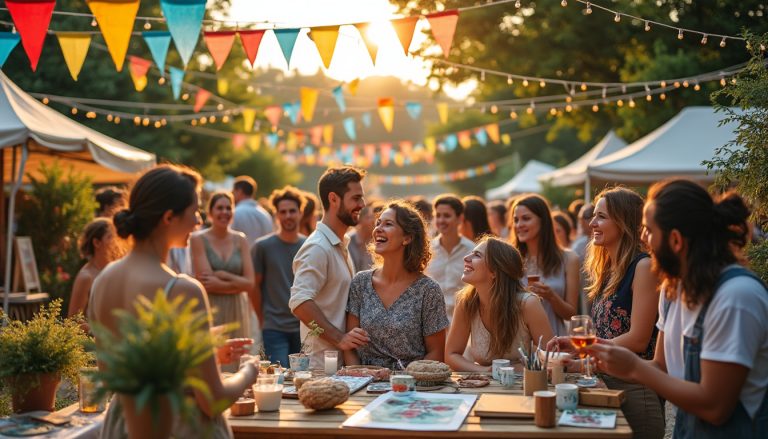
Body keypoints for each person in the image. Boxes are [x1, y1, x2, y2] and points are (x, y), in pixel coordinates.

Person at [588, 179, 768, 438]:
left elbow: (715, 406)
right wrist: (597, 356)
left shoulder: (736, 296)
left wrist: (634, 367)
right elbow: (660, 367)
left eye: (648, 230)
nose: (642, 238)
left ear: (675, 240)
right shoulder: (675, 292)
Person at [89, 165, 258, 438]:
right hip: (174, 425)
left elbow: (114, 374)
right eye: (194, 211)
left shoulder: (103, 279)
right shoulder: (181, 289)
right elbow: (213, 400)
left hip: (122, 425)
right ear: (169, 217)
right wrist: (250, 371)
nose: (198, 221)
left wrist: (202, 355)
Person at [555, 187, 664, 439]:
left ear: (624, 221)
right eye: (594, 215)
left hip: (636, 388)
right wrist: (577, 347)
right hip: (606, 382)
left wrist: (584, 352)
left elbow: (638, 338)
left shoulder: (644, 266)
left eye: (601, 216)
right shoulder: (608, 270)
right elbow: (606, 333)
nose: (592, 222)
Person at [344, 200, 449, 368]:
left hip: (410, 386)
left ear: (407, 238)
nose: (378, 228)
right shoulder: (360, 283)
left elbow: (436, 353)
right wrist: (358, 376)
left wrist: (407, 382)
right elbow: (349, 346)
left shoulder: (429, 290)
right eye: (378, 223)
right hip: (365, 383)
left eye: (388, 224)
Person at [289, 167, 369, 369]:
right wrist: (339, 338)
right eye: (356, 198)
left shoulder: (341, 242)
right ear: (333, 199)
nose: (362, 204)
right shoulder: (317, 247)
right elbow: (299, 303)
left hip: (341, 365)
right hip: (321, 367)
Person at [445, 237, 553, 372]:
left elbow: (551, 356)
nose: (466, 258)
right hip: (483, 386)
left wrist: (510, 370)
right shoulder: (465, 302)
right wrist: (486, 371)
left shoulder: (528, 304)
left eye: (477, 255)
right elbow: (451, 355)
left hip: (525, 385)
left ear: (494, 272)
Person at [251, 186, 307, 366]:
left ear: (300, 213)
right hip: (274, 327)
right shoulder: (263, 246)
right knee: (279, 377)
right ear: (276, 215)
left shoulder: (309, 246)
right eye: (283, 212)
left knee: (303, 378)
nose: (288, 216)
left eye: (292, 211)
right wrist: (262, 319)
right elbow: (254, 286)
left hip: (304, 327)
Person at [510, 194, 580, 335]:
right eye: (516, 220)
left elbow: (571, 314)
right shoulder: (512, 259)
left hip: (554, 342)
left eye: (526, 218)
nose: (519, 225)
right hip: (519, 342)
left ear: (544, 221)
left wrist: (551, 296)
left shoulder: (569, 258)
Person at [190, 192, 255, 340]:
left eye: (228, 208)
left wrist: (225, 276)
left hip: (238, 309)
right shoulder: (198, 239)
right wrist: (239, 284)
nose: (224, 212)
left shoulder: (241, 239)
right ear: (210, 212)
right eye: (220, 208)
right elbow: (207, 283)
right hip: (212, 308)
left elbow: (251, 284)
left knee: (238, 357)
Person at [425, 194, 475, 319]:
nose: (441, 220)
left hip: (464, 319)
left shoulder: (472, 251)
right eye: (438, 215)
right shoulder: (426, 250)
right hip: (431, 320)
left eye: (447, 216)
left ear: (460, 218)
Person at [68, 218, 124, 319]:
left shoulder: (115, 271)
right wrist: (101, 332)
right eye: (111, 237)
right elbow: (73, 320)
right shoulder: (86, 277)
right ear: (97, 243)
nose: (117, 243)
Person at [231, 175, 273, 246]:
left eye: (233, 191)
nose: (232, 194)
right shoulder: (265, 214)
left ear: (239, 191)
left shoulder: (235, 212)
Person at [348, 204, 375, 273]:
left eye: (374, 217)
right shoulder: (347, 241)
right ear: (360, 219)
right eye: (369, 217)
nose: (373, 221)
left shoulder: (376, 243)